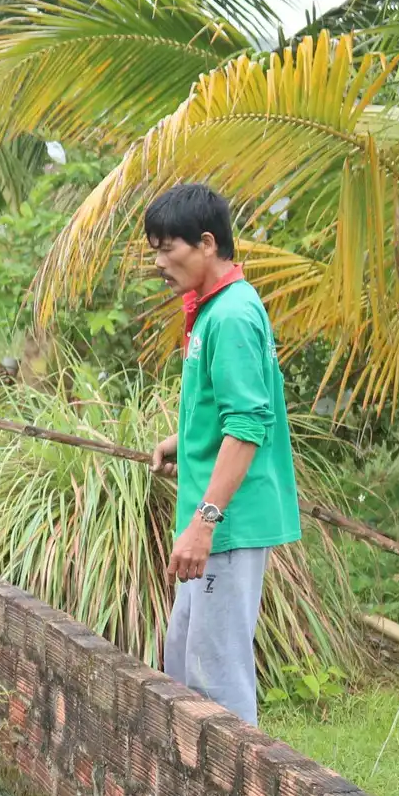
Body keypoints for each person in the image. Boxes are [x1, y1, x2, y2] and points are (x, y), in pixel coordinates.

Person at [144, 183, 300, 725]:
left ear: (206, 243)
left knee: (217, 679)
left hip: (228, 524)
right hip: (216, 519)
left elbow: (248, 426)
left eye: (169, 249)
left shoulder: (231, 316)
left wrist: (205, 523)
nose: (160, 263)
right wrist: (181, 443)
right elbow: (224, 412)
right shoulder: (211, 309)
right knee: (184, 666)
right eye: (155, 251)